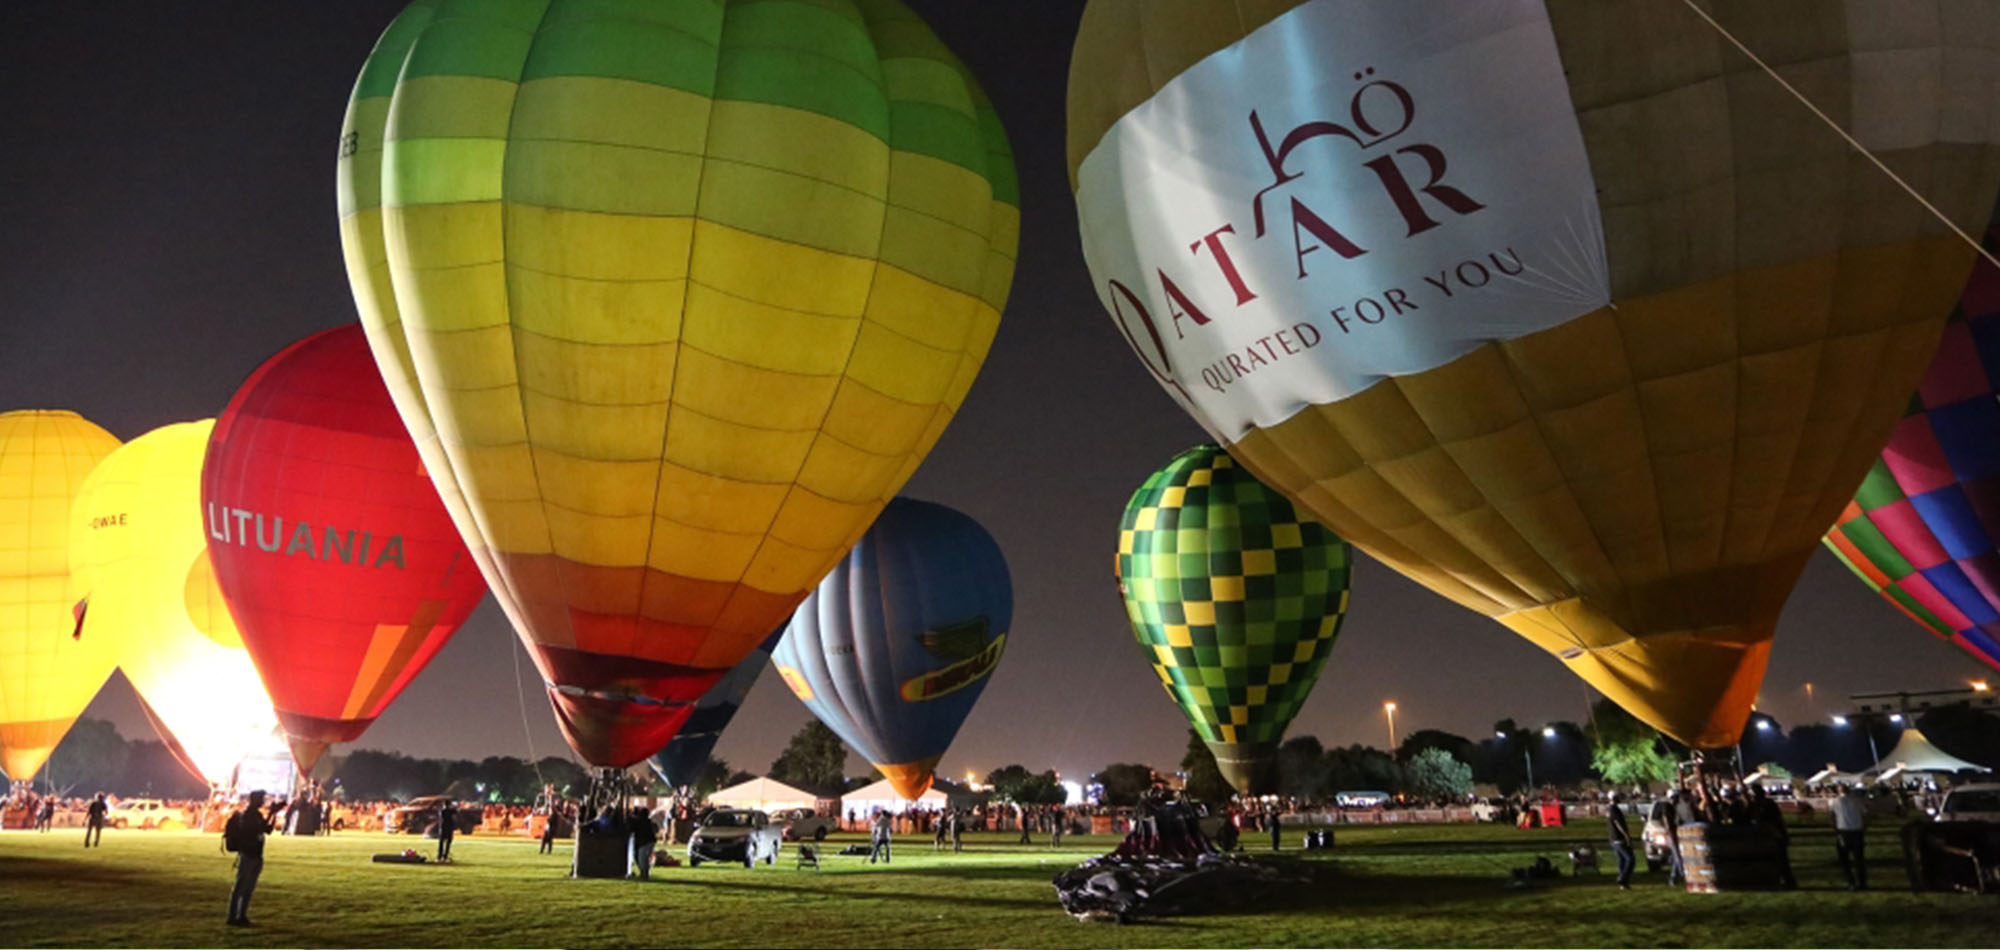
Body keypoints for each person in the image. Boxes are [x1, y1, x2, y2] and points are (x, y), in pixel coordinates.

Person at [225, 791, 276, 926]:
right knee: (241, 886)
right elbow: (258, 829)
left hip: (256, 854)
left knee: (248, 887)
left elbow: (268, 829)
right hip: (248, 853)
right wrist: (271, 813)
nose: (263, 801)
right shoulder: (248, 815)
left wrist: (273, 814)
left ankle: (241, 915)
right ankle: (233, 916)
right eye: (261, 798)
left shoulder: (257, 815)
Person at [1747, 784, 1795, 888]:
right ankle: (1785, 881)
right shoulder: (1766, 803)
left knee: (1778, 859)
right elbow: (1779, 819)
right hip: (1771, 834)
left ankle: (1782, 881)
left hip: (1768, 834)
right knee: (1779, 860)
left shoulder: (1757, 805)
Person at [1830, 785, 1868, 890]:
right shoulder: (1857, 800)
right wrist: (1864, 827)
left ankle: (1851, 882)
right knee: (1859, 859)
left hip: (1843, 831)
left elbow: (1832, 816)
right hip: (1857, 830)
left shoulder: (1835, 801)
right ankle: (1862, 882)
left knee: (1845, 860)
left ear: (1838, 791)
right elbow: (1865, 814)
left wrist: (1835, 829)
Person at [1606, 791, 1634, 890]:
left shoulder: (1609, 809)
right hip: (1619, 839)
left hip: (1613, 839)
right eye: (1617, 797)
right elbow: (1619, 824)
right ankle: (1623, 877)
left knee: (1621, 860)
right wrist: (1627, 836)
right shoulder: (1614, 810)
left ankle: (1623, 884)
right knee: (1630, 859)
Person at [628, 806, 658, 880]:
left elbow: (632, 829)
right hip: (649, 841)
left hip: (644, 842)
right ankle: (644, 873)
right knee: (644, 858)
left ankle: (644, 873)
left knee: (642, 858)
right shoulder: (648, 821)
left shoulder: (640, 821)